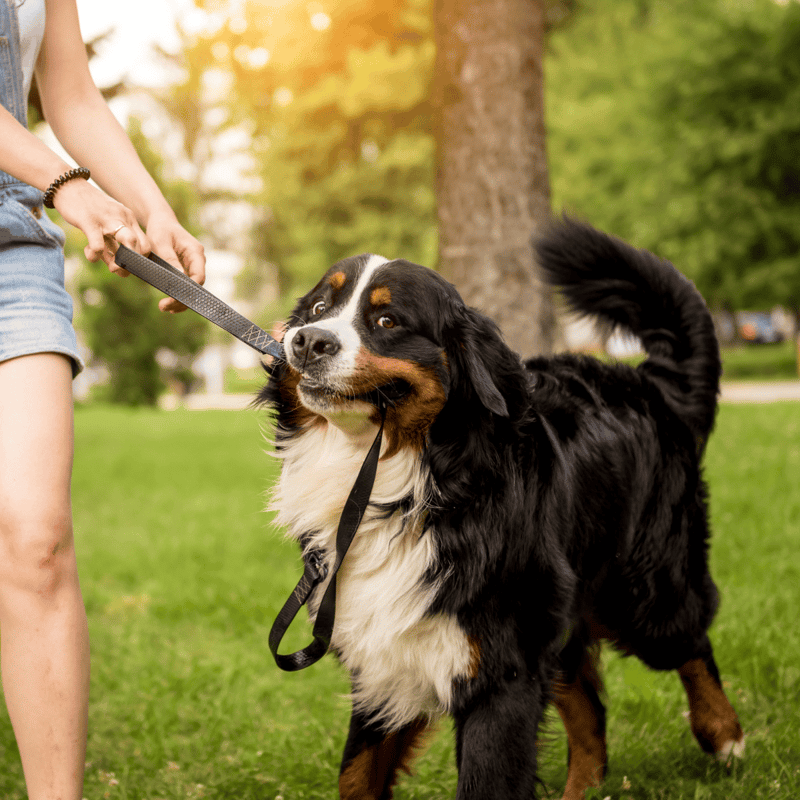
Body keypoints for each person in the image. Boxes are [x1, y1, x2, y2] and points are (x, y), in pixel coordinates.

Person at [0, 0, 206, 797]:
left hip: (10, 244)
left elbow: (71, 95)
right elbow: (58, 155)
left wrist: (155, 210)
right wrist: (65, 184)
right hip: (39, 193)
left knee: (37, 536)